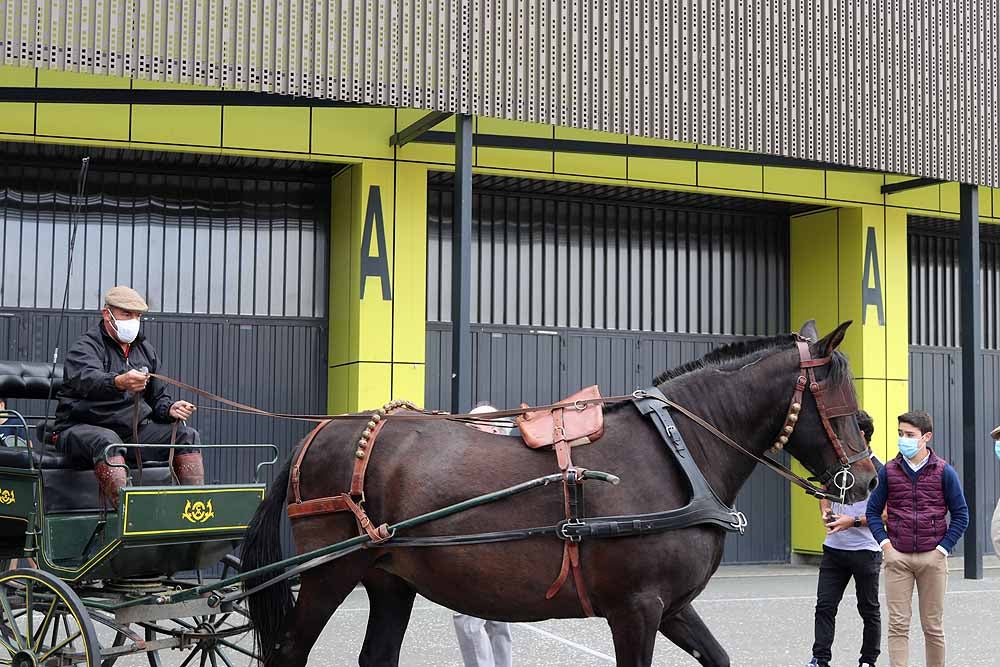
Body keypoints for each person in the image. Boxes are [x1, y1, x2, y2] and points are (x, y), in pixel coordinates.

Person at [53, 286, 204, 505]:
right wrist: (118, 382)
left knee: (186, 436)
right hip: (79, 427)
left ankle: (193, 509)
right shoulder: (85, 347)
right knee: (108, 442)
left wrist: (170, 409)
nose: (133, 320)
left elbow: (158, 398)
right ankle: (128, 515)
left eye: (137, 316)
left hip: (131, 431)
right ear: (107, 314)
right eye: (126, 314)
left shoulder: (145, 350)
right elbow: (87, 380)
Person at [866, 410, 969, 667]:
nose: (904, 439)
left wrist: (942, 550)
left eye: (910, 435)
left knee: (933, 627)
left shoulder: (945, 472)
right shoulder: (889, 471)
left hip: (932, 559)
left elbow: (961, 515)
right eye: (900, 434)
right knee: (898, 626)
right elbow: (872, 512)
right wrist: (885, 545)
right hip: (897, 558)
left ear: (926, 437)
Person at [807, 410, 882, 667]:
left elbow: (886, 515)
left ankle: (868, 661)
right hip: (834, 550)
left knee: (869, 610)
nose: (839, 438)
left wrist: (853, 521)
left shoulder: (879, 470)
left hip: (866, 550)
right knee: (825, 607)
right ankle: (820, 658)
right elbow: (824, 491)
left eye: (845, 432)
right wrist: (825, 510)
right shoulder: (838, 465)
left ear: (861, 435)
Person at [452, 403, 513, 667]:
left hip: (482, 553)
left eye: (475, 426)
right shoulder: (498, 457)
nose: (470, 431)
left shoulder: (484, 460)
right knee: (495, 621)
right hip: (496, 550)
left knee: (470, 620)